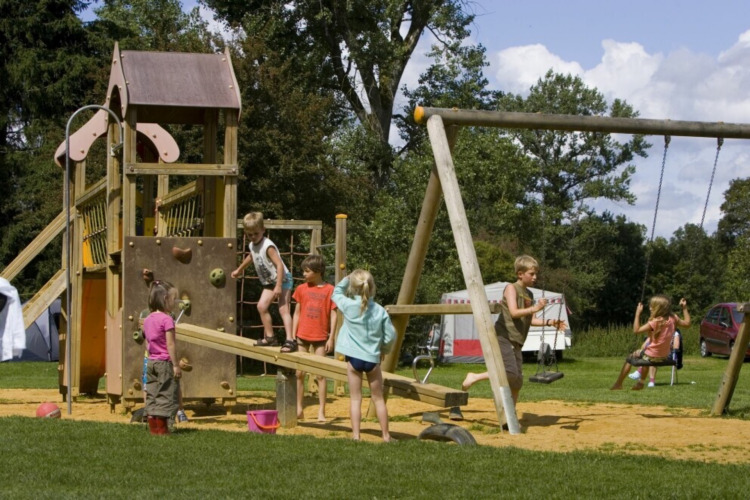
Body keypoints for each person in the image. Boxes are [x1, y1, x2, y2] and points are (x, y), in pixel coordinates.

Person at [461, 255, 566, 405]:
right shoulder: (511, 288)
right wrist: (535, 308)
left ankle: (511, 418)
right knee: (510, 374)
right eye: (532, 274)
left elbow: (532, 319)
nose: (535, 277)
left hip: (517, 340)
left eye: (536, 274)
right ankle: (474, 377)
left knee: (517, 381)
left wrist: (551, 322)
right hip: (504, 336)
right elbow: (514, 312)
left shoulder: (529, 294)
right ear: (520, 274)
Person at [332, 270, 396, 442]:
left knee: (355, 399)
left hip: (353, 360)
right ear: (372, 287)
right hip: (372, 359)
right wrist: (384, 349)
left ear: (353, 287)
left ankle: (356, 435)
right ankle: (386, 436)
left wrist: (346, 279)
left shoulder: (347, 305)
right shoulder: (380, 311)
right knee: (378, 398)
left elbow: (335, 293)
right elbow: (391, 335)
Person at [231, 212, 295, 352]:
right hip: (269, 282)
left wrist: (278, 286)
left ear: (263, 230)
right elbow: (251, 256)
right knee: (261, 307)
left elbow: (279, 265)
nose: (253, 237)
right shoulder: (252, 245)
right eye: (249, 235)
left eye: (256, 233)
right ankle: (270, 338)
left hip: (282, 279)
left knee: (283, 309)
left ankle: (290, 340)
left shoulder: (268, 245)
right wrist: (239, 270)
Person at [292, 255, 338, 421]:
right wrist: (292, 335)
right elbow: (296, 313)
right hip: (302, 335)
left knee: (320, 374)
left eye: (307, 271)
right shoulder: (301, 289)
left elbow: (334, 315)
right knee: (299, 373)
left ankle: (321, 411)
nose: (304, 274)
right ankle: (299, 408)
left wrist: (331, 337)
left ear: (318, 272)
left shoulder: (330, 290)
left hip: (320, 336)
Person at [612, 296, 690, 390]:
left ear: (658, 308)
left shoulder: (655, 322)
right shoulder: (673, 318)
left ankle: (618, 384)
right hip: (664, 356)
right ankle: (640, 383)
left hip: (651, 356)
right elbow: (687, 324)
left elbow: (636, 330)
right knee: (645, 356)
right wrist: (684, 308)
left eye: (652, 306)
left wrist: (637, 314)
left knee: (631, 357)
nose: (650, 308)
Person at [143, 280, 182, 435]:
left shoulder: (148, 319)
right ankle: (164, 429)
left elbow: (147, 343)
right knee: (166, 394)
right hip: (165, 362)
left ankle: (154, 429)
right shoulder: (167, 320)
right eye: (173, 299)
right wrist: (176, 365)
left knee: (152, 394)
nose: (175, 303)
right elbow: (170, 344)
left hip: (151, 362)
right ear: (165, 299)